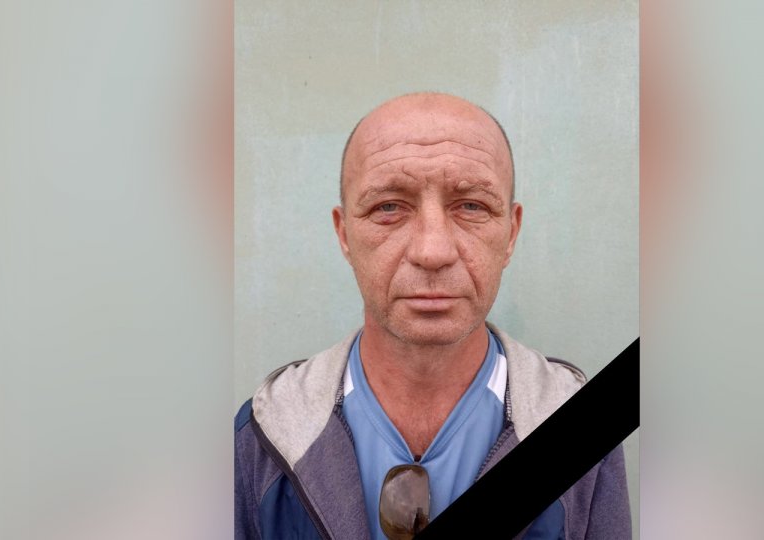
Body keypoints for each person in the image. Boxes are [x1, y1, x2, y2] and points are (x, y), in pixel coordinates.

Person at [235, 92, 631, 539]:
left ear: (511, 233)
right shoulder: (261, 435)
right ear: (344, 234)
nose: (432, 251)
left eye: (472, 206)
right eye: (388, 207)